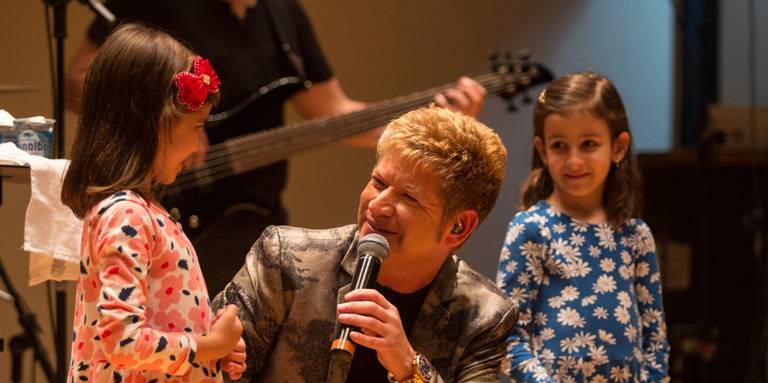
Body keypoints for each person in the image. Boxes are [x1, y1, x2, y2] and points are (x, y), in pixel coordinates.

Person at [64, 0, 487, 296]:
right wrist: (169, 118)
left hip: (254, 219)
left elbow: (331, 115)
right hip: (173, 210)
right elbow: (81, 80)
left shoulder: (282, 13)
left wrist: (433, 123)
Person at [211, 106, 517, 383]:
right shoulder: (287, 259)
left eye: (407, 196)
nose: (378, 205)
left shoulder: (482, 314)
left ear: (458, 227)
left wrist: (410, 370)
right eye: (378, 182)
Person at [60, 24, 248, 383]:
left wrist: (213, 351)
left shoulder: (146, 212)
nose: (197, 147)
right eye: (192, 129)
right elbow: (121, 339)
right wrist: (207, 346)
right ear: (150, 125)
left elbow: (162, 318)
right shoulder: (125, 215)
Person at [487, 72, 670, 383]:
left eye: (589, 144)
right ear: (541, 150)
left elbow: (656, 343)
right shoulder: (532, 229)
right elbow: (509, 337)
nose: (574, 160)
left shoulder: (634, 237)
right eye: (559, 146)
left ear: (618, 147)